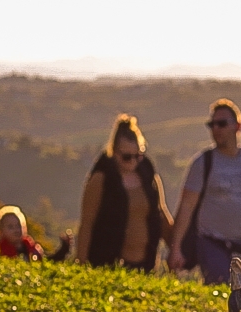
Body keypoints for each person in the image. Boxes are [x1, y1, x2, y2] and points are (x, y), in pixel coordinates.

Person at [168, 98, 241, 284]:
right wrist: (176, 249)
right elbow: (186, 206)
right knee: (223, 291)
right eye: (212, 124)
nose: (216, 129)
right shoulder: (203, 163)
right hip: (211, 244)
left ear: (238, 126)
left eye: (222, 124)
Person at [74, 114, 174, 272]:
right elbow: (87, 224)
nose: (133, 162)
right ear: (114, 152)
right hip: (107, 261)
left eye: (138, 156)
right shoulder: (101, 178)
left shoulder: (148, 173)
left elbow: (160, 212)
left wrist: (175, 250)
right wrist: (81, 264)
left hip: (145, 264)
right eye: (127, 157)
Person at [0, 205, 71, 262]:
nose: (16, 229)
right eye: (10, 227)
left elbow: (47, 262)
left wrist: (64, 249)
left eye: (19, 225)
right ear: (1, 231)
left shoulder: (32, 247)